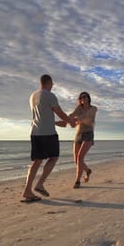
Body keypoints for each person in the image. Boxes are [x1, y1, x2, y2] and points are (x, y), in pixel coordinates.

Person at [21, 74, 75, 202]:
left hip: (35, 132)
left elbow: (43, 115)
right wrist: (70, 122)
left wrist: (59, 122)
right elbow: (59, 112)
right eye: (52, 84)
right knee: (54, 157)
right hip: (48, 133)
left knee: (37, 161)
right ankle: (40, 184)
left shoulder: (33, 96)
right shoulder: (49, 95)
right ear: (49, 83)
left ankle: (27, 190)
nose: (52, 86)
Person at [67, 91, 97, 189]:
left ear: (88, 98)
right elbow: (72, 114)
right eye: (81, 97)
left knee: (80, 158)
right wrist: (66, 119)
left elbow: (86, 117)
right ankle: (88, 171)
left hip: (88, 134)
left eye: (85, 97)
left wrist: (75, 120)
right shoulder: (79, 108)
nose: (83, 99)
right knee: (76, 160)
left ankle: (77, 181)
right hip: (78, 134)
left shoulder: (93, 109)